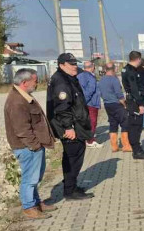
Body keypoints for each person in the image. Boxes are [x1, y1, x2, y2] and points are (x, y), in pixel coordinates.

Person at [5, 69, 57, 219]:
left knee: (35, 177)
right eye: (35, 80)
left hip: (32, 146)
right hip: (28, 147)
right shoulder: (16, 101)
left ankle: (36, 203)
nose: (37, 83)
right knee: (30, 178)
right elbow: (22, 130)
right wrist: (35, 145)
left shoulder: (23, 96)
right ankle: (29, 207)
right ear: (24, 82)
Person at [47, 53, 94, 201]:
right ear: (61, 65)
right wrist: (68, 127)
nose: (75, 66)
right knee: (73, 159)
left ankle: (71, 185)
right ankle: (70, 190)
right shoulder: (61, 81)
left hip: (76, 124)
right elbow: (62, 108)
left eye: (75, 63)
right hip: (70, 128)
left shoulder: (68, 78)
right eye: (71, 64)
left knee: (73, 158)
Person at [121, 51, 144, 159]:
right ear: (138, 59)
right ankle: (136, 151)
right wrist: (140, 104)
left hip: (132, 101)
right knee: (135, 126)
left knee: (135, 126)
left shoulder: (127, 69)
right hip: (134, 102)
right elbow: (134, 89)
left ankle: (137, 149)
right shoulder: (131, 71)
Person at [99, 63, 128, 152]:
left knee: (113, 124)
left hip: (107, 104)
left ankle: (114, 146)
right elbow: (119, 94)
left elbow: (100, 93)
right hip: (116, 104)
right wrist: (125, 104)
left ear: (105, 69)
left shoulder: (101, 80)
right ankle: (126, 146)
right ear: (114, 69)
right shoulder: (114, 80)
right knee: (125, 123)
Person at [77, 61, 101, 148]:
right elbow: (90, 90)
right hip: (91, 103)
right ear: (92, 67)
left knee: (85, 122)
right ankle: (90, 141)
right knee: (92, 122)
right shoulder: (91, 77)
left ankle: (86, 138)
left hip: (84, 103)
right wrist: (85, 101)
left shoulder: (79, 76)